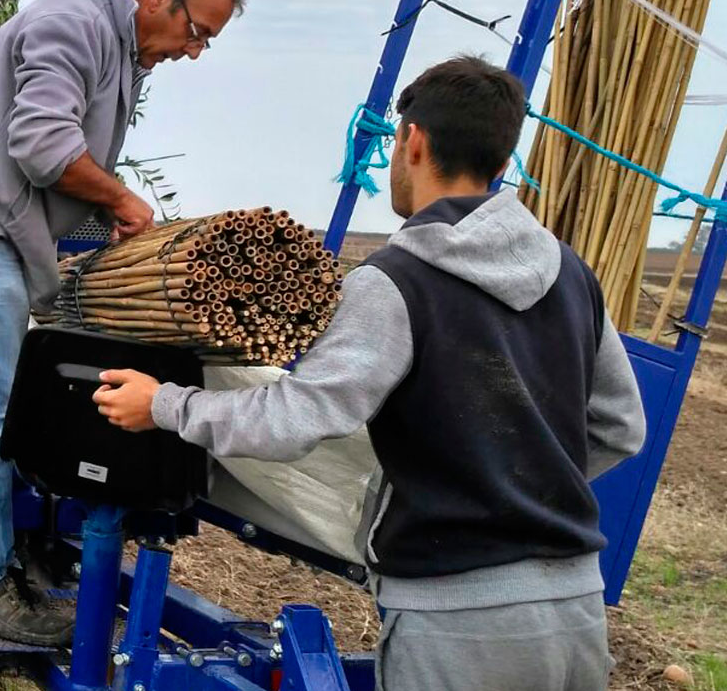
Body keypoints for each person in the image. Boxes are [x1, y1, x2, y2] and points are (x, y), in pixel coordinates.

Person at [93, 55, 644, 690]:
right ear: (500, 158)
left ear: (413, 139)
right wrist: (518, 484)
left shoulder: (398, 282)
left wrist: (164, 403)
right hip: (577, 611)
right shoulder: (572, 274)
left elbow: (294, 419)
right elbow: (620, 427)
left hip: (459, 624)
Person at [0, 0, 246, 644]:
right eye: (197, 32)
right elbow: (41, 144)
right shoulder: (74, 23)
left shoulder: (116, 46)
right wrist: (121, 199)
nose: (193, 52)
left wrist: (103, 210)